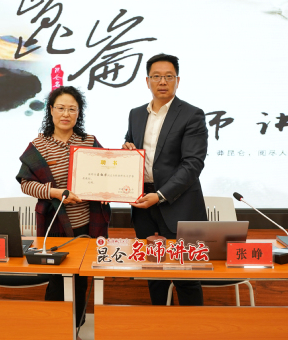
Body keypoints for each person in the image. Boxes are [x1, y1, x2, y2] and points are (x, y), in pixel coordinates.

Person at [16, 86, 111, 328]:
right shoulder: (39, 145)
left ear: (79, 113)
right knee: (58, 283)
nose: (66, 114)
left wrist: (109, 190)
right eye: (60, 108)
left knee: (80, 282)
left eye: (72, 109)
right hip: (55, 227)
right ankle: (55, 331)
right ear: (51, 110)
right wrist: (55, 193)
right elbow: (26, 184)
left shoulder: (89, 142)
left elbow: (109, 174)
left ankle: (75, 329)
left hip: (87, 227)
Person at [122, 53, 208, 306]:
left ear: (177, 80)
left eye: (168, 76)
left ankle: (193, 325)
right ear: (147, 81)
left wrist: (160, 196)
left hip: (179, 204)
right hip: (143, 204)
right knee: (153, 273)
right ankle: (160, 324)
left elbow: (192, 164)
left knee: (186, 275)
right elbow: (133, 148)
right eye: (156, 76)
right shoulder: (136, 114)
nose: (162, 82)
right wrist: (127, 150)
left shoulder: (192, 114)